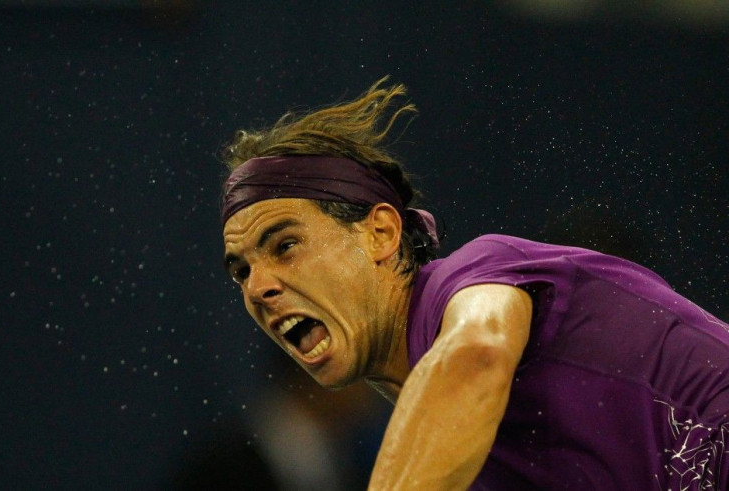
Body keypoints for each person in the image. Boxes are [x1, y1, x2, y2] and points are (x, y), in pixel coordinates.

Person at [219, 78, 729, 489]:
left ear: (380, 233)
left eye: (285, 245)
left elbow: (477, 354)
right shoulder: (468, 457)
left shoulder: (476, 275)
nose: (258, 286)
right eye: (241, 270)